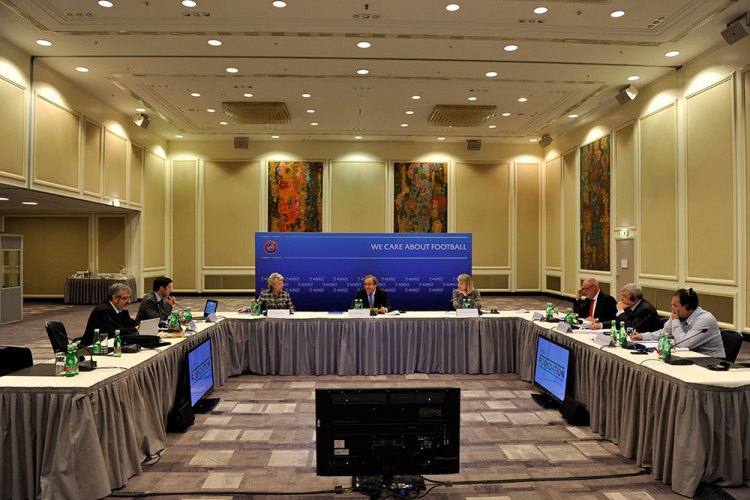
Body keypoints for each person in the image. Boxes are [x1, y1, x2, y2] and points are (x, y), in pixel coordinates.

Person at [631, 288, 725, 358]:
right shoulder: (680, 314)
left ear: (687, 306)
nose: (672, 309)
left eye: (675, 306)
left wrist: (675, 320)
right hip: (690, 358)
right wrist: (643, 336)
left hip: (710, 362)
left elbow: (684, 344)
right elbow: (664, 333)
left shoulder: (705, 320)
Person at [591, 283, 661, 332]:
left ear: (633, 298)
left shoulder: (645, 309)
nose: (621, 299)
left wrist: (621, 311)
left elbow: (630, 328)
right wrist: (600, 325)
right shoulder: (630, 305)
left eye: (624, 296)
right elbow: (619, 322)